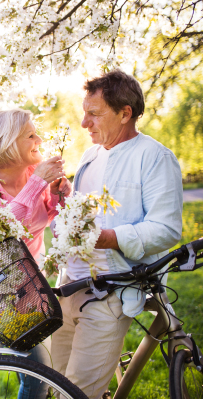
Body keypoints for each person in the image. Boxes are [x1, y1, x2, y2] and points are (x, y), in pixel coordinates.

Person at [50, 70, 183, 399]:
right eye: (85, 111)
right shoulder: (90, 156)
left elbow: (165, 228)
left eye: (94, 114)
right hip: (69, 287)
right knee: (52, 386)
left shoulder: (155, 157)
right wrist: (67, 197)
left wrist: (108, 238)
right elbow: (90, 215)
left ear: (125, 113)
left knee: (77, 393)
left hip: (110, 291)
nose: (84, 123)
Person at [0, 109, 72, 398]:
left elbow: (49, 217)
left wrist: (61, 195)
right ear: (9, 142)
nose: (40, 139)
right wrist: (37, 182)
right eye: (31, 135)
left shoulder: (31, 173)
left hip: (28, 286)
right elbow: (2, 232)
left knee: (38, 375)